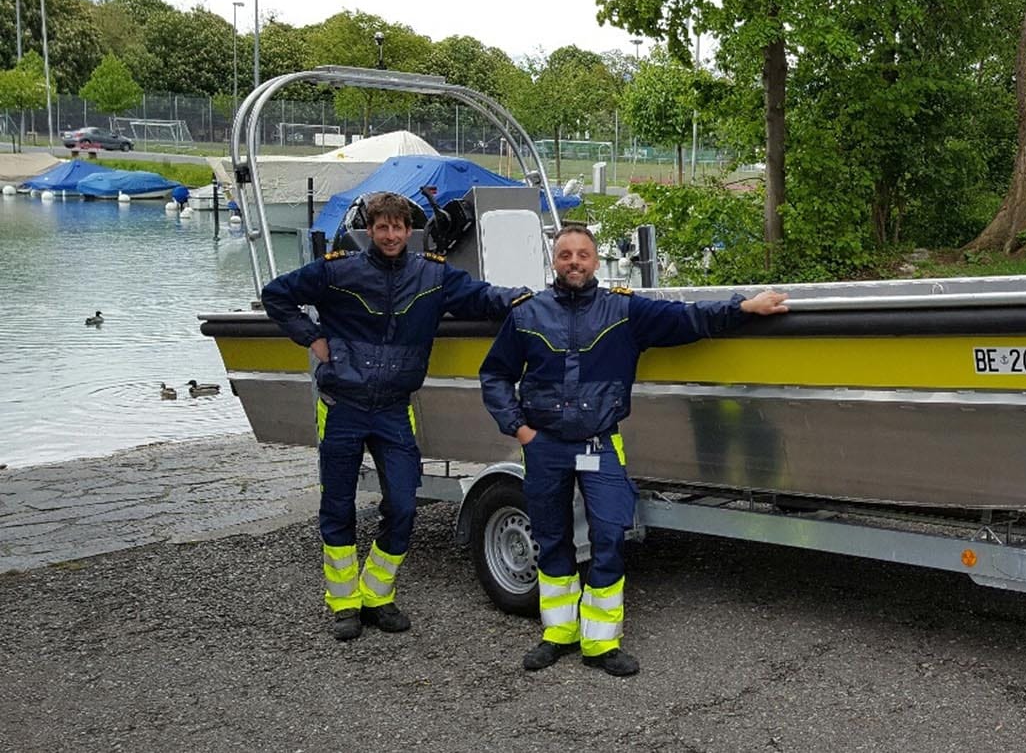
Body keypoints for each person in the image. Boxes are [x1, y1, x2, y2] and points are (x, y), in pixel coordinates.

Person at [479, 226, 789, 677]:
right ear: (553, 261)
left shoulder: (624, 311)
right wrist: (520, 430)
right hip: (544, 446)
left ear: (595, 261)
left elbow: (687, 319)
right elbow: (495, 375)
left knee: (608, 535)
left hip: (600, 443)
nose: (574, 262)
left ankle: (601, 642)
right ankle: (558, 633)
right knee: (551, 538)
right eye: (565, 254)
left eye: (582, 254)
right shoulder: (528, 314)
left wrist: (743, 307)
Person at [261, 191, 528, 641]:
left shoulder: (433, 275)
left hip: (393, 410)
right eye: (381, 227)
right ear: (369, 229)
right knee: (338, 506)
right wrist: (312, 337)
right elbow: (276, 295)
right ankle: (344, 603)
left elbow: (481, 298)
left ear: (410, 231)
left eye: (398, 227)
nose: (390, 235)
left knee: (403, 506)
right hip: (342, 407)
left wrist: (524, 300)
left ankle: (377, 594)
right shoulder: (338, 270)